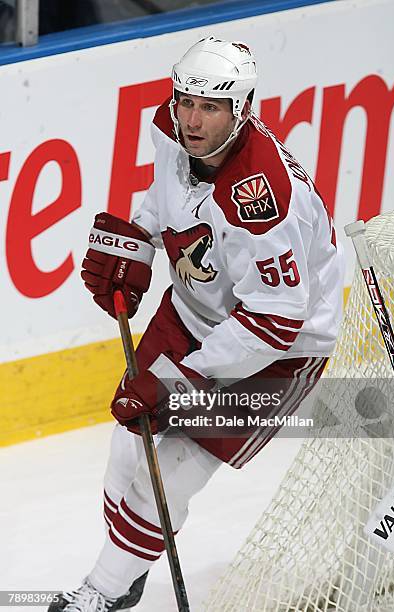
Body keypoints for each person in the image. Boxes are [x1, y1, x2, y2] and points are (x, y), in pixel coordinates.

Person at [49, 36, 344, 611]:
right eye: (186, 101)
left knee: (172, 474)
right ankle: (127, 567)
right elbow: (163, 198)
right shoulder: (169, 125)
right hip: (194, 312)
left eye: (210, 107)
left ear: (243, 109)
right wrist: (136, 244)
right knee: (129, 449)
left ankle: (103, 591)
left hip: (276, 352)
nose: (192, 118)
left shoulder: (262, 198)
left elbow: (275, 320)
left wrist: (181, 380)